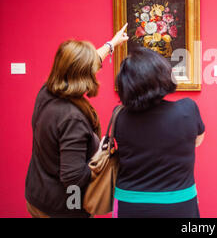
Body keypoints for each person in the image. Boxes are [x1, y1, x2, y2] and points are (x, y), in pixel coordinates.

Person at [25, 24, 129, 218]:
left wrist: (112, 43)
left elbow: (84, 62)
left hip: (37, 195)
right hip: (60, 209)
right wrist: (99, 153)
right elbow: (72, 178)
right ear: (85, 75)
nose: (98, 69)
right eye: (94, 68)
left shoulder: (47, 90)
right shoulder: (72, 119)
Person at [113, 47, 205, 218]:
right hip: (179, 204)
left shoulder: (119, 115)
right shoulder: (187, 109)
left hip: (130, 205)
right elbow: (197, 140)